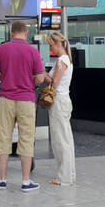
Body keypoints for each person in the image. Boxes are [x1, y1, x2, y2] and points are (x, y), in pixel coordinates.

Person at [0, 20, 46, 192]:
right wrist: (29, 81)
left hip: (6, 98)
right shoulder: (32, 51)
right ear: (26, 33)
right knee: (26, 138)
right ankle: (26, 181)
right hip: (26, 99)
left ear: (11, 33)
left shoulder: (2, 48)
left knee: (3, 137)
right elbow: (40, 78)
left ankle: (2, 179)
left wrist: (5, 76)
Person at [43, 32, 76, 185]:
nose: (50, 48)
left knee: (61, 140)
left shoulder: (61, 60)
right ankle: (68, 175)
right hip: (63, 101)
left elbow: (54, 83)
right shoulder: (65, 59)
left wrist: (43, 73)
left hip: (59, 101)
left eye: (51, 45)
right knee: (65, 139)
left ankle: (64, 178)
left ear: (58, 44)